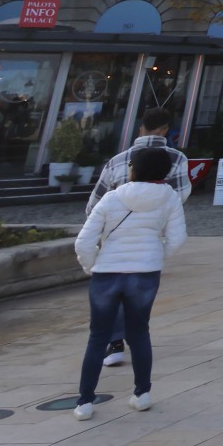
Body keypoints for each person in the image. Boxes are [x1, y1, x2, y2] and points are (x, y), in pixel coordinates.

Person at [71, 145, 186, 420]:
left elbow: (84, 241)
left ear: (132, 169)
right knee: (139, 333)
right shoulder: (170, 198)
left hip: (107, 273)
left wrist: (91, 265)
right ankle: (142, 394)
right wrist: (156, 257)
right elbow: (177, 238)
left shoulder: (111, 198)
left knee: (98, 337)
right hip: (145, 273)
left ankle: (85, 402)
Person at [87, 108, 191, 369]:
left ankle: (113, 343)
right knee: (137, 302)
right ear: (166, 130)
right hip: (149, 239)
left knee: (112, 295)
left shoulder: (117, 160)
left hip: (113, 237)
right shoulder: (177, 159)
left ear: (140, 128)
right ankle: (139, 374)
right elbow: (180, 196)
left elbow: (95, 202)